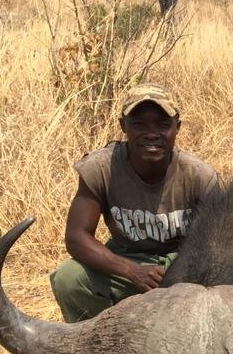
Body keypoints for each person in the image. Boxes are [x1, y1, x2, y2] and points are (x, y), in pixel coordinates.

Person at [49, 83, 219, 323]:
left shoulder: (199, 175)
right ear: (123, 126)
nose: (151, 133)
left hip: (182, 262)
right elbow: (76, 237)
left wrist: (179, 275)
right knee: (69, 279)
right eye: (138, 124)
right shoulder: (100, 168)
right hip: (126, 260)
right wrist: (131, 271)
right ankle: (97, 346)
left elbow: (219, 242)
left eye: (163, 125)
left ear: (177, 128)